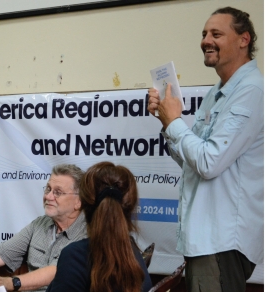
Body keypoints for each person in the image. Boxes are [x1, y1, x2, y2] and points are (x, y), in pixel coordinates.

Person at [147, 7, 263, 292]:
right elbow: (192, 162)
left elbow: (209, 162)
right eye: (203, 34)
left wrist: (174, 122)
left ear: (243, 39)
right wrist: (165, 123)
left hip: (221, 243)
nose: (206, 40)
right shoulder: (217, 92)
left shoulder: (252, 90)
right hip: (205, 242)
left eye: (216, 33)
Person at [46, 162, 152, 292]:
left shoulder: (74, 255)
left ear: (83, 205)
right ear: (130, 207)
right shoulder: (134, 256)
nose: (48, 196)